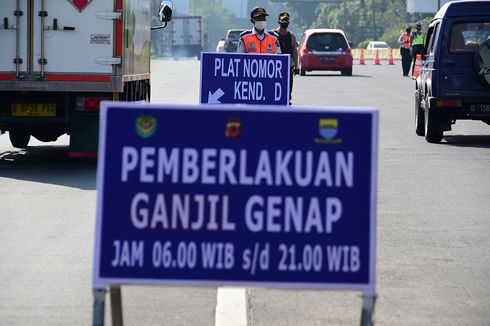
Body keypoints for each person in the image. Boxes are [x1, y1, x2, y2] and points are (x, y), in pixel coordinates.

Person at [273, 12, 298, 104]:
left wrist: (297, 66)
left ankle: (287, 99)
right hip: (275, 64)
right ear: (279, 21)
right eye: (283, 20)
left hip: (288, 64)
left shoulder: (291, 36)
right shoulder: (273, 34)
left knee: (288, 82)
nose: (285, 22)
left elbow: (294, 51)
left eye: (286, 21)